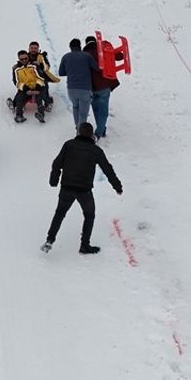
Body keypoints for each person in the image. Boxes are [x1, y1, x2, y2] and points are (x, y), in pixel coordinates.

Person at [42, 122, 122, 255]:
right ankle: (85, 245)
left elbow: (57, 163)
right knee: (89, 215)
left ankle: (49, 240)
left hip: (67, 187)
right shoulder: (96, 151)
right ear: (92, 135)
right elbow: (108, 169)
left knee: (59, 214)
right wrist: (117, 186)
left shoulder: (69, 145)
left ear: (79, 132)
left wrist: (54, 179)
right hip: (84, 190)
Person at [84, 36, 121, 139]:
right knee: (103, 110)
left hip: (91, 87)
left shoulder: (84, 55)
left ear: (86, 44)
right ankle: (100, 131)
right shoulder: (103, 50)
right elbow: (120, 56)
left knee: (96, 109)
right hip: (105, 85)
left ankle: (101, 129)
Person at [57, 38, 99, 127]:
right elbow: (97, 68)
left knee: (75, 107)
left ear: (70, 47)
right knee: (83, 113)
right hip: (85, 89)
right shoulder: (87, 56)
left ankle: (78, 127)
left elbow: (61, 73)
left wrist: (71, 70)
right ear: (80, 46)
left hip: (71, 89)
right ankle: (80, 133)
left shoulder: (66, 57)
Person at [11, 50, 49, 123]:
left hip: (36, 88)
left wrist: (37, 88)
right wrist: (26, 90)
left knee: (39, 97)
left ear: (28, 57)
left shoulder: (34, 66)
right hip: (26, 90)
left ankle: (41, 114)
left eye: (26, 58)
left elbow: (40, 78)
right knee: (20, 97)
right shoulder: (16, 69)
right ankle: (19, 115)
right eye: (22, 59)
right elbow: (17, 82)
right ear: (19, 59)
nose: (24, 60)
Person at [27, 41, 60, 105]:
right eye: (32, 48)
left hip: (40, 77)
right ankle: (16, 103)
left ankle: (47, 102)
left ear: (38, 49)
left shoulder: (41, 57)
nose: (33, 50)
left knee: (44, 85)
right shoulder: (26, 56)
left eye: (35, 48)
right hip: (28, 78)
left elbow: (47, 66)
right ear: (29, 49)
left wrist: (40, 64)